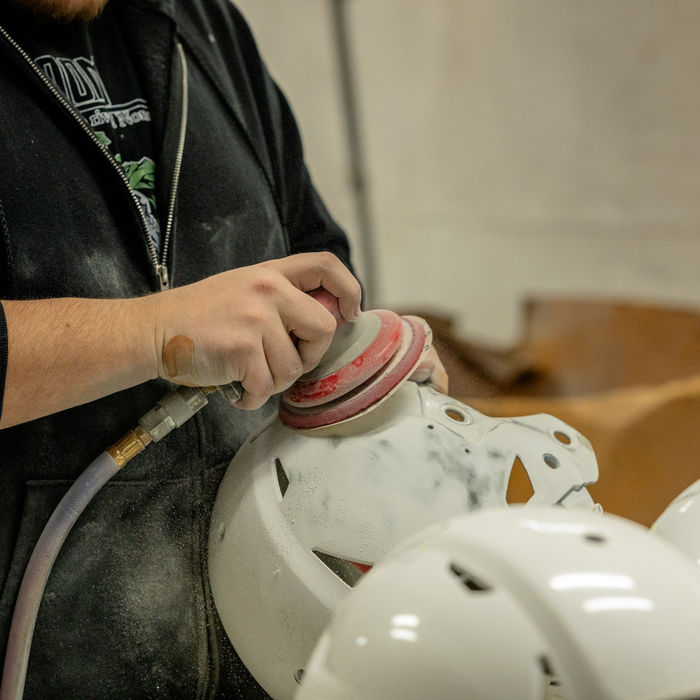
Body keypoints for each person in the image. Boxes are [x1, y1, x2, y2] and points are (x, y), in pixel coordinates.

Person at [0, 0, 446, 697]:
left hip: (260, 654)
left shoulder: (197, 23)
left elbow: (313, 255)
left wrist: (364, 361)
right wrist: (153, 334)